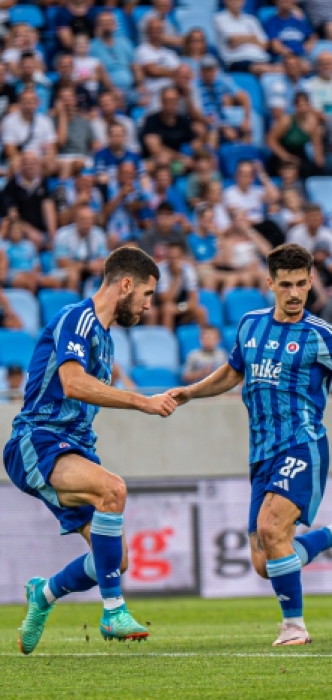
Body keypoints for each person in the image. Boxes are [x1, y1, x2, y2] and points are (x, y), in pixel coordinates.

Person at [167, 244, 332, 646]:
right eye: (285, 284)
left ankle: (294, 627)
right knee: (263, 560)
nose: (293, 293)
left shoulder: (322, 335)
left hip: (302, 446)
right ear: (270, 283)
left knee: (270, 528)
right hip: (261, 454)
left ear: (310, 284)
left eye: (301, 285)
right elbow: (232, 372)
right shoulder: (250, 326)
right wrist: (190, 392)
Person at [4, 247, 177, 654]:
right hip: (38, 439)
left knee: (115, 562)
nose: (149, 305)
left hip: (73, 445)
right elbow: (72, 383)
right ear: (126, 284)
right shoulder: (76, 319)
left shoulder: (105, 338)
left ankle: (43, 594)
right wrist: (142, 401)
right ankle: (113, 612)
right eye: (148, 294)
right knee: (113, 490)